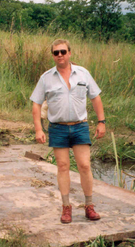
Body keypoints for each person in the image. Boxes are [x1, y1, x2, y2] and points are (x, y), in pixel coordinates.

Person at [30, 39, 106, 223]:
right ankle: (66, 208)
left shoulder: (83, 74)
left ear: (70, 53)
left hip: (80, 126)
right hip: (58, 128)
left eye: (63, 51)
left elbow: (95, 98)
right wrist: (39, 129)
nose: (60, 55)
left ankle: (89, 206)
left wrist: (101, 122)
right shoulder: (46, 78)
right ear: (53, 56)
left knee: (85, 166)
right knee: (63, 166)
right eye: (56, 53)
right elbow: (36, 104)